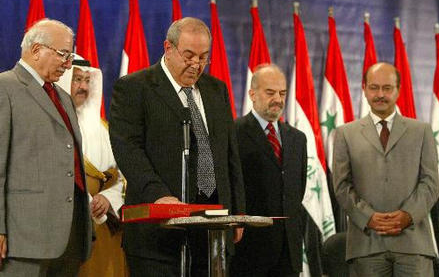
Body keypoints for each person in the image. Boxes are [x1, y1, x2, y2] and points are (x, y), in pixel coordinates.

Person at [109, 17, 245, 277]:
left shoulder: (217, 90)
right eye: (189, 55)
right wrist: (158, 195)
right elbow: (128, 149)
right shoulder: (135, 88)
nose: (196, 65)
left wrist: (236, 211)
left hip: (212, 231)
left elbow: (229, 155)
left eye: (204, 57)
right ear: (168, 48)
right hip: (157, 236)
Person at [0, 19, 92, 276]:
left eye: (69, 55)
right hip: (23, 240)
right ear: (36, 49)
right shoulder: (5, 87)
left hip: (70, 234)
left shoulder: (62, 97)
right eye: (63, 54)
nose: (68, 63)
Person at [332, 62, 439, 277]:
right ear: (364, 88)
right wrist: (368, 217)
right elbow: (342, 186)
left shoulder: (422, 131)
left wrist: (408, 215)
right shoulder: (346, 133)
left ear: (398, 90)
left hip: (413, 245)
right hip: (366, 245)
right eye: (374, 87)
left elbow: (430, 183)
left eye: (387, 88)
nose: (380, 94)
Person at [230, 64, 307, 277]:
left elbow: (296, 191)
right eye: (270, 92)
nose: (278, 99)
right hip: (249, 250)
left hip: (288, 251)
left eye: (282, 93)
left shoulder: (297, 139)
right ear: (252, 94)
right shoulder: (233, 133)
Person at [56, 56, 127, 276]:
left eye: (88, 81)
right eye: (77, 79)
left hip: (104, 224)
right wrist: (85, 200)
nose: (84, 87)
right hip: (66, 223)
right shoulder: (51, 125)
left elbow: (123, 176)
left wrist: (108, 199)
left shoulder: (104, 129)